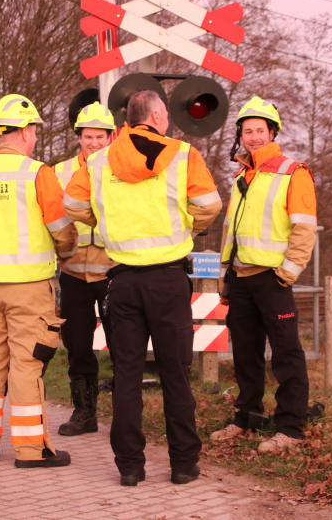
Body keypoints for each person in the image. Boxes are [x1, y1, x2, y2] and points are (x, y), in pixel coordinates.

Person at [63, 91, 222, 486]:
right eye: (166, 113)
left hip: (122, 280)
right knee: (175, 374)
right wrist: (184, 228)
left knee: (127, 375)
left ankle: (130, 467)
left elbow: (72, 204)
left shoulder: (99, 162)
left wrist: (105, 223)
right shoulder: (183, 155)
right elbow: (210, 205)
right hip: (168, 279)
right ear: (155, 115)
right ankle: (184, 465)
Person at [0, 94, 77, 467]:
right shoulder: (37, 174)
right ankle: (30, 450)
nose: (36, 139)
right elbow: (62, 230)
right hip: (28, 286)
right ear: (24, 131)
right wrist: (68, 249)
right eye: (35, 131)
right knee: (27, 364)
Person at [213, 97, 317, 454]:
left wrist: (287, 272)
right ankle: (247, 417)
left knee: (287, 354)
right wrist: (226, 276)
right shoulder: (241, 176)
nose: (253, 137)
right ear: (240, 136)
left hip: (273, 279)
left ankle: (290, 428)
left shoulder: (293, 172)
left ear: (273, 132)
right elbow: (231, 230)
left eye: (260, 130)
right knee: (245, 353)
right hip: (241, 279)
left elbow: (305, 228)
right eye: (247, 131)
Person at [51, 102, 116, 437]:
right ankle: (85, 413)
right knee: (77, 344)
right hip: (74, 271)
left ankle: (125, 413)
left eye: (99, 137)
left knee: (123, 344)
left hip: (112, 270)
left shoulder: (121, 169)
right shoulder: (59, 172)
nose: (93, 143)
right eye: (88, 136)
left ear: (111, 136)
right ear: (79, 137)